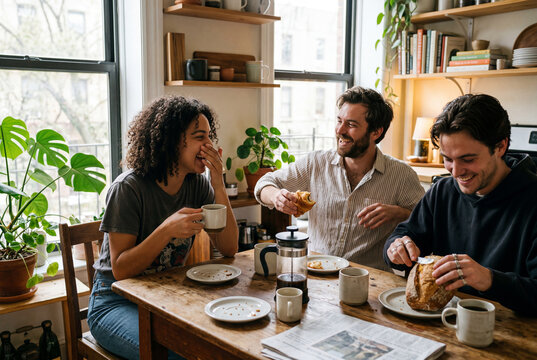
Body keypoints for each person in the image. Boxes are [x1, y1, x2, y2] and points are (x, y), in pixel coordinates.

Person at [88, 96, 239, 359]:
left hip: (164, 297)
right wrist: (166, 230)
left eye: (209, 137)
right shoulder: (128, 189)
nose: (209, 145)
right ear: (170, 141)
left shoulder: (197, 185)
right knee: (182, 353)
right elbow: (121, 270)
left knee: (223, 342)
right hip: (113, 303)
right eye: (199, 137)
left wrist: (217, 182)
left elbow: (228, 248)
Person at [384, 94, 537, 316]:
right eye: (447, 158)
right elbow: (405, 234)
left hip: (510, 333)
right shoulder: (443, 190)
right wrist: (395, 247)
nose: (455, 172)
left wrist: (489, 279)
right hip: (443, 323)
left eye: (468, 159)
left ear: (500, 147)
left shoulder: (531, 201)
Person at [255, 86, 425, 271]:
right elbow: (264, 184)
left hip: (369, 280)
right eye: (339, 121)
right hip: (316, 274)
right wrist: (276, 197)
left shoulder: (401, 175)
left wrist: (398, 213)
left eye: (351, 125)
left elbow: (427, 222)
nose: (340, 130)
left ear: (376, 132)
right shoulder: (316, 163)